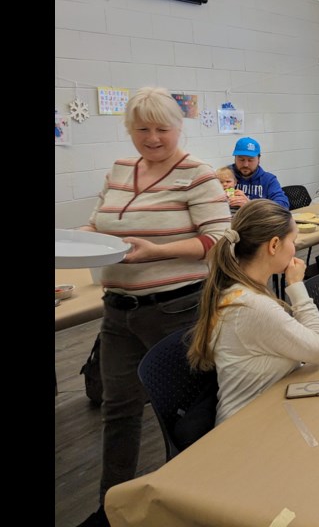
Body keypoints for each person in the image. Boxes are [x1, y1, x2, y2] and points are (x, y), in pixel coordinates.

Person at [77, 87, 232, 527]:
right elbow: (99, 224)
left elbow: (222, 240)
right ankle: (111, 507)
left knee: (184, 411)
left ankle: (192, 501)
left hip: (176, 309)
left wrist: (157, 252)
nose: (153, 138)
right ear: (129, 130)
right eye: (142, 129)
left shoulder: (197, 174)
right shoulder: (121, 169)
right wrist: (74, 239)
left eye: (162, 129)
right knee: (119, 408)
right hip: (118, 310)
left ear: (179, 128)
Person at [187, 199, 319, 425]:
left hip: (267, 408)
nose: (295, 248)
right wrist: (296, 286)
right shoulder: (253, 306)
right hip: (248, 426)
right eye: (292, 241)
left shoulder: (237, 288)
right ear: (274, 245)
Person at [229, 137, 290, 209]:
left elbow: (283, 205)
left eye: (250, 160)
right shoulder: (225, 176)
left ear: (258, 159)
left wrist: (250, 205)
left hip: (258, 219)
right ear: (235, 159)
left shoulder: (268, 180)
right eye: (241, 160)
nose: (245, 164)